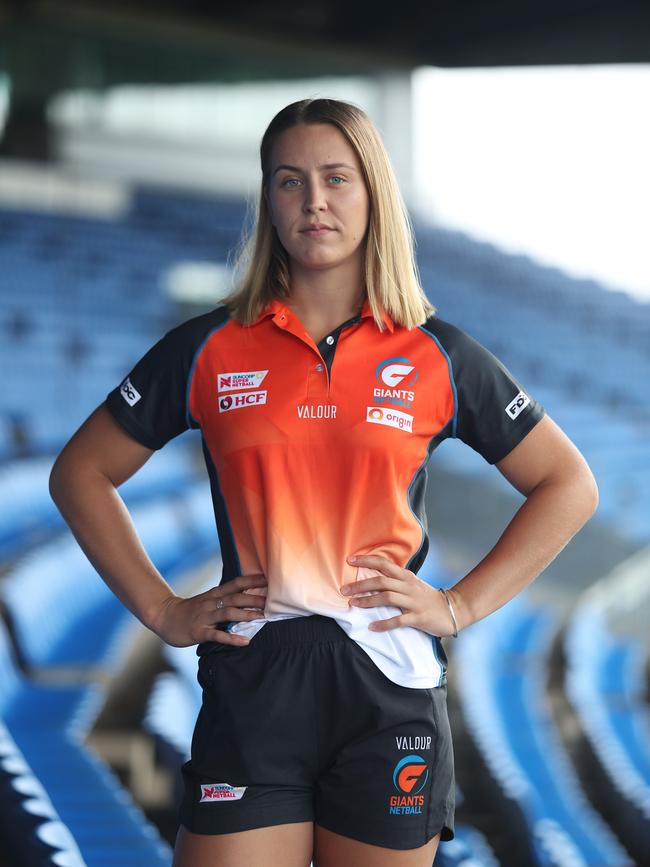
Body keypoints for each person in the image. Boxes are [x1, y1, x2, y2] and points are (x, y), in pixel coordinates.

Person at [49, 98, 599, 867]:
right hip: (253, 685)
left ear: (373, 193)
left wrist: (460, 603)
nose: (314, 201)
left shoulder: (438, 353)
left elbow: (568, 484)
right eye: (289, 180)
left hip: (390, 691)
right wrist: (162, 608)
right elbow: (80, 472)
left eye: (337, 178)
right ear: (268, 200)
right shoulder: (208, 346)